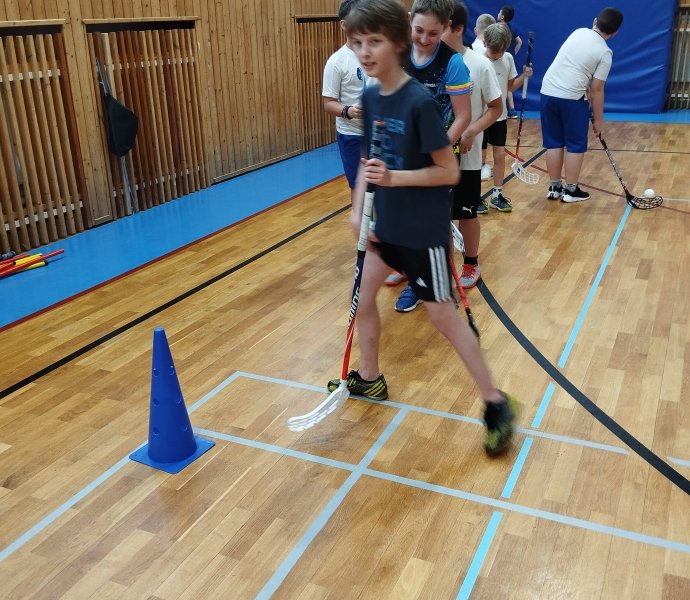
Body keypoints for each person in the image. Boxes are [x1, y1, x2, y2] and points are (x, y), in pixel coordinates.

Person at [328, 0, 519, 455]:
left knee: (443, 319)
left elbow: (447, 172)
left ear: (398, 43)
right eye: (357, 43)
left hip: (422, 233)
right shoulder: (371, 97)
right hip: (384, 229)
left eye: (374, 41)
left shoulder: (417, 103)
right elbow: (370, 157)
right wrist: (358, 206)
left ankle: (496, 402)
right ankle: (370, 376)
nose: (364, 51)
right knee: (364, 301)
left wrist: (395, 179)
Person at [394, 0, 473, 312]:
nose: (425, 39)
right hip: (401, 155)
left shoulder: (453, 64)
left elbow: (463, 116)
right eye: (419, 31)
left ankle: (441, 285)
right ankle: (415, 282)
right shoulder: (399, 53)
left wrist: (436, 149)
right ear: (410, 21)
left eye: (433, 33)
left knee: (436, 226)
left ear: (446, 28)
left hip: (439, 159)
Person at [442, 1, 502, 289]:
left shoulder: (479, 64)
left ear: (457, 29)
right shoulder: (427, 64)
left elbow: (495, 108)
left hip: (466, 156)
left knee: (465, 213)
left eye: (439, 28)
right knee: (432, 215)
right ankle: (427, 268)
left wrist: (471, 131)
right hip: (434, 159)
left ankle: (471, 262)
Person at [540, 7, 623, 203]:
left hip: (547, 91)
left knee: (554, 142)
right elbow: (597, 89)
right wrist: (599, 121)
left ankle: (554, 188)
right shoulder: (605, 52)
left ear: (595, 21)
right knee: (575, 145)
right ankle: (570, 191)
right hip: (571, 98)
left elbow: (572, 65)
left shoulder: (578, 32)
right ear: (615, 32)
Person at [480, 22, 532, 213]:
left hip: (499, 118)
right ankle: (474, 197)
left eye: (501, 51)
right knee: (478, 160)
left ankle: (497, 194)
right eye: (494, 52)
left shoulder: (508, 58)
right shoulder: (478, 59)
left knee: (500, 156)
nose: (498, 55)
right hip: (480, 118)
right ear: (485, 43)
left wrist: (524, 77)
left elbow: (509, 88)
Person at [497, 5, 522, 119]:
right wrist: (513, 54)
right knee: (509, 86)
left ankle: (502, 110)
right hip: (509, 60)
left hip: (500, 60)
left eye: (499, 13)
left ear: (502, 17)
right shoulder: (511, 28)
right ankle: (511, 110)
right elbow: (519, 42)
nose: (497, 14)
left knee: (503, 85)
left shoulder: (497, 29)